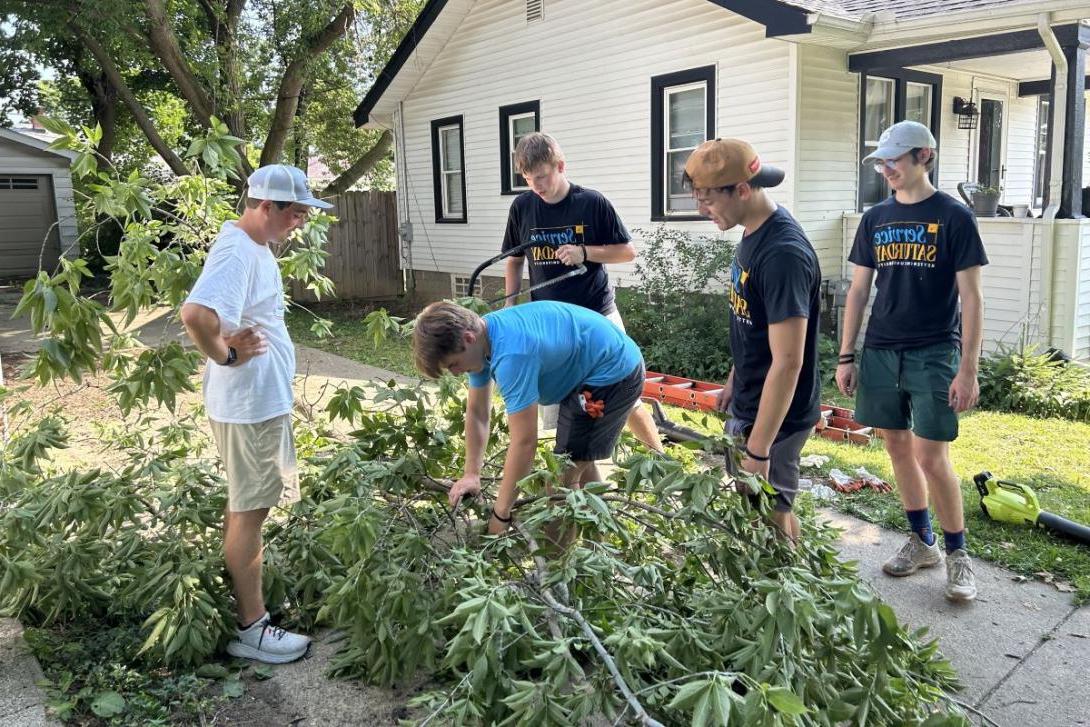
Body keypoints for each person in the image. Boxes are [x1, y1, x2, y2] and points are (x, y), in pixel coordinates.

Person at [180, 164, 332, 662]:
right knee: (250, 513)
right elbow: (196, 315)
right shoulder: (238, 251)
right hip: (249, 407)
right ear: (265, 206)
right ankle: (253, 627)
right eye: (295, 213)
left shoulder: (254, 248)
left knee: (246, 508)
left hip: (254, 404)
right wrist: (225, 354)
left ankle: (251, 605)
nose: (300, 222)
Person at [836, 120, 987, 602]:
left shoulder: (955, 217)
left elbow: (972, 298)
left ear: (925, 156)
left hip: (934, 350)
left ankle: (958, 554)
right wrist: (847, 355)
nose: (886, 169)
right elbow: (859, 290)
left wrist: (968, 368)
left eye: (894, 160)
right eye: (881, 162)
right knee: (897, 449)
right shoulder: (875, 218)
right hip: (881, 349)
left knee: (931, 455)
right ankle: (923, 542)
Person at [682, 138, 822, 542]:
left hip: (777, 417)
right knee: (754, 508)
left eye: (707, 200)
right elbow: (754, 321)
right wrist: (734, 377)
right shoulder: (753, 231)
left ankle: (792, 592)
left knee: (771, 516)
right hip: (750, 397)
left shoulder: (783, 254)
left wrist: (759, 450)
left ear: (742, 189)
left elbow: (789, 361)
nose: (701, 210)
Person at [413, 300, 645, 534]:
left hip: (613, 373)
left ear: (468, 338)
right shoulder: (484, 339)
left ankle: (557, 565)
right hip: (589, 366)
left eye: (453, 364)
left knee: (558, 483)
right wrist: (471, 474)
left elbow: (524, 443)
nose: (455, 372)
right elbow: (477, 412)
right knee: (577, 462)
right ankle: (599, 546)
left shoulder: (513, 354)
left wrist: (500, 515)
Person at [501, 132, 662, 453]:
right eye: (529, 179)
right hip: (548, 325)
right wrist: (510, 305)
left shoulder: (591, 202)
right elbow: (514, 260)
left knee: (624, 396)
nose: (538, 186)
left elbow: (627, 252)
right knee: (561, 406)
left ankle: (660, 457)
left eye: (543, 177)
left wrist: (584, 253)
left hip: (596, 317)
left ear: (560, 166)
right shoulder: (522, 207)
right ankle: (573, 480)